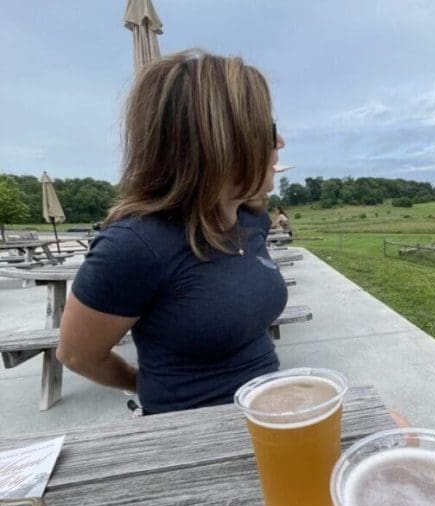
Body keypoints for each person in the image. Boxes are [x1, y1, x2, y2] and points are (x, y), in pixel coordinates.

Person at [57, 50, 288, 414]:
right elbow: (76, 354)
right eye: (270, 131)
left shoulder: (251, 219)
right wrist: (141, 383)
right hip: (192, 435)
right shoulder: (136, 245)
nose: (280, 143)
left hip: (269, 409)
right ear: (221, 143)